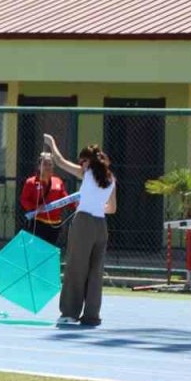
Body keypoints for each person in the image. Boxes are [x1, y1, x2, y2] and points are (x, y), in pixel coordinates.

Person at [44, 134, 116, 328]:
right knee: (95, 271)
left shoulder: (87, 173)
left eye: (81, 161)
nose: (80, 164)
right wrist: (97, 204)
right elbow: (112, 208)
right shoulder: (111, 179)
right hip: (101, 225)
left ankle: (69, 312)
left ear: (88, 161)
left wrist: (52, 142)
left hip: (83, 222)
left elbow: (59, 161)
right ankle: (92, 315)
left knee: (76, 268)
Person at [19, 152, 73, 247]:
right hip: (38, 223)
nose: (48, 167)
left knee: (50, 250)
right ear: (39, 166)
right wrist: (35, 207)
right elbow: (24, 200)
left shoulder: (58, 181)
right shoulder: (31, 182)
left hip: (55, 224)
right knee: (38, 251)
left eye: (50, 164)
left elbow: (65, 199)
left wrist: (76, 204)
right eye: (45, 164)